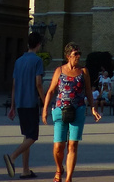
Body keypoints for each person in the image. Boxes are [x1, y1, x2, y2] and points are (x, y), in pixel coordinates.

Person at [42, 42, 101, 182]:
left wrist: (93, 108)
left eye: (79, 54)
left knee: (72, 145)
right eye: (75, 54)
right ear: (68, 56)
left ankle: (68, 178)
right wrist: (44, 110)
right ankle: (58, 168)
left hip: (78, 110)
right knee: (58, 146)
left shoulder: (83, 71)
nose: (78, 57)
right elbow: (51, 91)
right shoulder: (59, 71)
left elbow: (88, 91)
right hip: (60, 110)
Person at [4, 32, 45, 179]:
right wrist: (45, 100)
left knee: (27, 135)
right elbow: (38, 83)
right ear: (39, 44)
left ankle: (25, 170)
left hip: (20, 102)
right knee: (33, 136)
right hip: (30, 102)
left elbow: (14, 85)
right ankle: (12, 157)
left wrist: (13, 106)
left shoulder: (19, 61)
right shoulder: (37, 61)